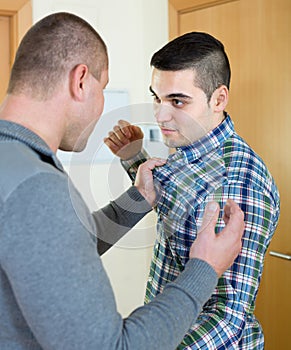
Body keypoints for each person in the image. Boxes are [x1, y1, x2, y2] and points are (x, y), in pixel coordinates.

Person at [0, 13, 245, 350]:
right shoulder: (35, 187)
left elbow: (53, 249)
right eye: (102, 89)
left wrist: (138, 199)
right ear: (81, 81)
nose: (160, 115)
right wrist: (204, 269)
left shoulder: (12, 163)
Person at [105, 32, 280, 349]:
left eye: (177, 101)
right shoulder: (192, 150)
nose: (159, 115)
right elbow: (175, 208)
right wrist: (134, 157)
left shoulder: (238, 181)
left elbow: (228, 316)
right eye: (157, 98)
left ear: (219, 99)